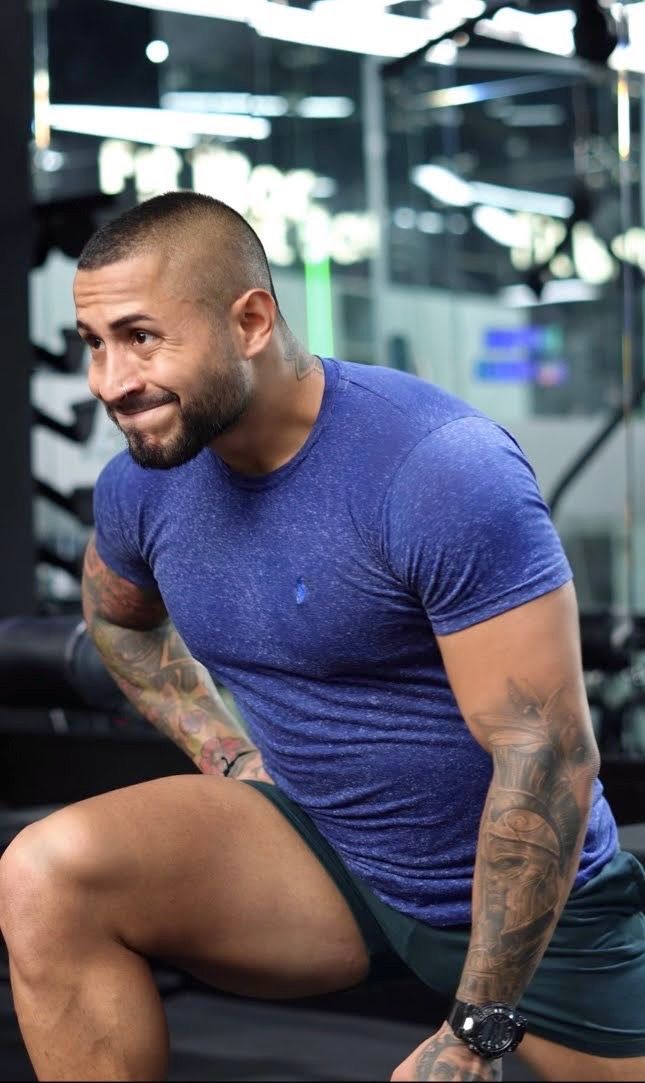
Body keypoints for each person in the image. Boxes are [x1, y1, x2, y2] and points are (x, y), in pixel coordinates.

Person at [0, 190, 643, 1083]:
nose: (111, 382)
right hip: (318, 850)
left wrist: (475, 1031)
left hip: (523, 899)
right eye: (95, 343)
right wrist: (228, 754)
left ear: (251, 321)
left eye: (142, 337)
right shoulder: (146, 482)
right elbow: (118, 621)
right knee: (45, 871)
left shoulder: (435, 467)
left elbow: (547, 758)